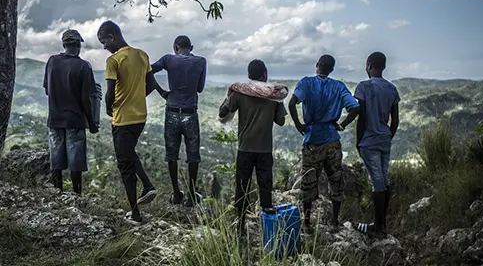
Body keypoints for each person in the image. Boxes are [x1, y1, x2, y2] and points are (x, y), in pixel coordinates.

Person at [289, 54, 360, 230]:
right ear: (332, 69)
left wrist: (299, 125)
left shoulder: (306, 83)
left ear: (317, 66)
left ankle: (306, 224)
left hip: (312, 138)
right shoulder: (338, 87)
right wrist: (342, 125)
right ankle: (335, 222)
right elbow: (355, 107)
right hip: (332, 139)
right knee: (336, 181)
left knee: (309, 183)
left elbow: (291, 103)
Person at [97, 20, 158, 225]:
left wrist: (108, 108)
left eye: (104, 42)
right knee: (129, 154)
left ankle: (135, 214)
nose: (104, 47)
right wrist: (136, 97)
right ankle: (148, 185)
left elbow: (109, 92)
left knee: (125, 165)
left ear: (112, 37)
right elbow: (151, 85)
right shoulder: (142, 55)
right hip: (140, 117)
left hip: (122, 119)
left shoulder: (114, 60)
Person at [218, 59, 286, 237]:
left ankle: (240, 227)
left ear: (249, 76)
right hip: (265, 149)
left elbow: (223, 113)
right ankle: (267, 230)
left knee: (242, 187)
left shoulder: (240, 93)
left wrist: (229, 96)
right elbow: (281, 121)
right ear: (265, 75)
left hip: (245, 148)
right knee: (265, 188)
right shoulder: (275, 95)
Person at [151, 35, 207, 208]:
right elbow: (200, 88)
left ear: (175, 47)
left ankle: (176, 193)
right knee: (193, 156)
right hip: (190, 113)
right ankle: (191, 196)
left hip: (172, 112)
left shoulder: (168, 59)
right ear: (191, 47)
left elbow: (147, 71)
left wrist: (161, 91)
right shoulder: (201, 61)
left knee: (171, 155)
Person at [42, 29, 99, 195]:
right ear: (78, 45)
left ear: (64, 44)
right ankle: (76, 195)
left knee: (56, 158)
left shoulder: (52, 61)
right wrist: (91, 123)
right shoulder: (83, 66)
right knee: (76, 160)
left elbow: (47, 90)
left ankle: (57, 193)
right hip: (74, 120)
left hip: (55, 118)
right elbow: (87, 99)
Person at [354, 51, 400, 236]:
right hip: (384, 139)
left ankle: (378, 228)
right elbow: (395, 120)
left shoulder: (363, 87)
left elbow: (361, 117)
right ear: (384, 66)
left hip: (369, 141)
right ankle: (382, 224)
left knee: (377, 183)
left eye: (367, 65)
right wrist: (388, 136)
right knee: (384, 179)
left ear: (369, 65)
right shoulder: (392, 89)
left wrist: (358, 141)